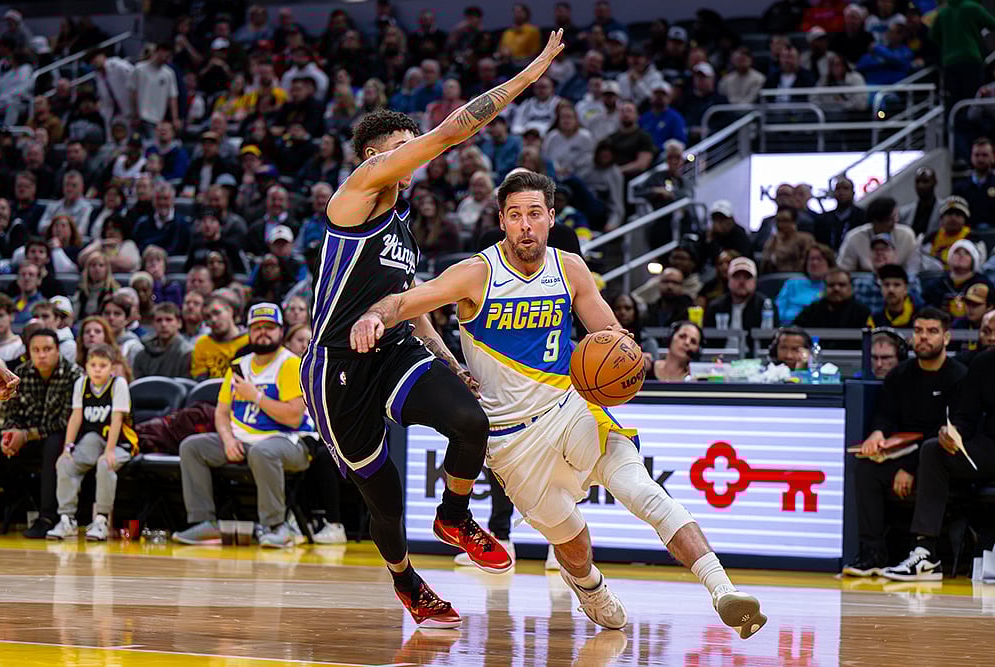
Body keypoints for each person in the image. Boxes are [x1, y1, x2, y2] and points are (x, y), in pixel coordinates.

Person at [350, 170, 766, 638]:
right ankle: (590, 587)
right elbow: (407, 301)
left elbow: (610, 335)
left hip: (571, 408)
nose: (525, 225)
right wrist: (373, 315)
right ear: (502, 221)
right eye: (514, 215)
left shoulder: (570, 268)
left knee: (642, 491)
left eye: (533, 214)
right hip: (512, 442)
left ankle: (723, 589)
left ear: (550, 218)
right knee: (573, 544)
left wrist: (625, 355)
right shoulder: (476, 273)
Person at [299, 35, 568, 629]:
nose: (412, 154)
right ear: (372, 158)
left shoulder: (401, 222)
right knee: (384, 498)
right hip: (338, 365)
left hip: (392, 346)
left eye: (409, 144)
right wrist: (530, 75)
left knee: (471, 420)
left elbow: (409, 303)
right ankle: (406, 580)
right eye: (401, 148)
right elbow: (450, 133)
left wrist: (448, 361)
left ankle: (453, 514)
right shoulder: (357, 195)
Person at [173, 303, 314, 548]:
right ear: (248, 331)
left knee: (264, 451)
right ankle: (204, 523)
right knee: (192, 447)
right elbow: (222, 413)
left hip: (290, 442)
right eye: (257, 328)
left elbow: (293, 417)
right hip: (243, 441)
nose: (263, 333)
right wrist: (227, 439)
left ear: (281, 331)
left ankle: (276, 526)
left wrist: (256, 396)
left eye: (269, 327)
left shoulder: (290, 364)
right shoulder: (239, 365)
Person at [843, 308, 967, 576]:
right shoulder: (900, 374)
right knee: (865, 467)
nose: (923, 337)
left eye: (932, 331)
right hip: (907, 450)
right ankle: (872, 551)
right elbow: (885, 415)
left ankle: (922, 551)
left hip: (943, 457)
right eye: (919, 331)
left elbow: (954, 431)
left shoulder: (958, 376)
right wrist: (877, 433)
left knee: (931, 453)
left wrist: (910, 468)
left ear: (946, 337)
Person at [881, 326, 995, 581]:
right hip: (990, 447)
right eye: (988, 330)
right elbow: (966, 417)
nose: (992, 334)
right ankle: (925, 553)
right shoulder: (983, 364)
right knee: (934, 449)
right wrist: (950, 431)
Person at [46, 344, 138, 541]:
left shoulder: (118, 384)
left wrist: (110, 451)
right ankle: (66, 519)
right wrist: (67, 448)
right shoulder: (81, 383)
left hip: (120, 442)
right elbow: (76, 418)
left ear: (112, 368)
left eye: (103, 365)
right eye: (93, 365)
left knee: (105, 464)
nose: (97, 369)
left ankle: (101, 520)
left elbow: (117, 420)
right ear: (86, 366)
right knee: (65, 463)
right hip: (92, 440)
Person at [0, 329, 83, 538]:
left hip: (64, 439)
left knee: (53, 443)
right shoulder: (22, 373)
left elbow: (64, 421)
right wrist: (11, 433)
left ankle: (46, 517)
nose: (41, 355)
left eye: (47, 349)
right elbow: (11, 412)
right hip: (28, 437)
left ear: (58, 350)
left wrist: (25, 435)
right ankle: (8, 503)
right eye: (36, 350)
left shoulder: (74, 374)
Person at [837, 197, 919, 275]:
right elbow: (844, 270)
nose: (894, 223)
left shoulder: (906, 235)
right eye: (889, 220)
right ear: (874, 221)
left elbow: (913, 270)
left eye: (895, 217)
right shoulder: (854, 237)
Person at [704, 257, 779, 338]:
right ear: (728, 280)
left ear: (755, 281)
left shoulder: (766, 306)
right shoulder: (716, 306)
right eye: (737, 277)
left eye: (747, 277)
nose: (742, 282)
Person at [794, 268, 873, 334]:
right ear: (824, 288)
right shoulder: (812, 310)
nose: (836, 288)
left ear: (850, 287)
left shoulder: (862, 311)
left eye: (841, 285)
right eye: (831, 285)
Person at [191, 294, 249, 380]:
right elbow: (200, 382)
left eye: (217, 313)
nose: (213, 319)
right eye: (208, 317)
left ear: (230, 311)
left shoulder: (249, 340)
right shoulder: (202, 344)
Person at [777, 243, 835, 325]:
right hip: (789, 329)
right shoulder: (792, 284)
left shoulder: (834, 286)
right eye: (811, 259)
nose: (814, 263)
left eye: (819, 259)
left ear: (829, 263)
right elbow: (778, 311)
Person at [133, 302, 193, 379]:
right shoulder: (142, 355)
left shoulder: (187, 354)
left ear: (179, 323)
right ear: (153, 324)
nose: (163, 324)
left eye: (169, 320)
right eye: (159, 320)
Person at [814, 177, 865, 251]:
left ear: (853, 193)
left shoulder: (862, 216)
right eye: (838, 189)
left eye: (845, 188)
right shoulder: (823, 219)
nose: (841, 192)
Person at [761, 206, 815, 274]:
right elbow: (765, 265)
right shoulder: (772, 241)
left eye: (785, 221)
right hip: (774, 278)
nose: (781, 225)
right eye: (778, 221)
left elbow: (808, 262)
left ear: (794, 222)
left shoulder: (805, 239)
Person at [899, 167, 941, 237]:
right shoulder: (904, 213)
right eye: (917, 182)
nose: (921, 185)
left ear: (934, 182)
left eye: (925, 181)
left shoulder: (944, 210)